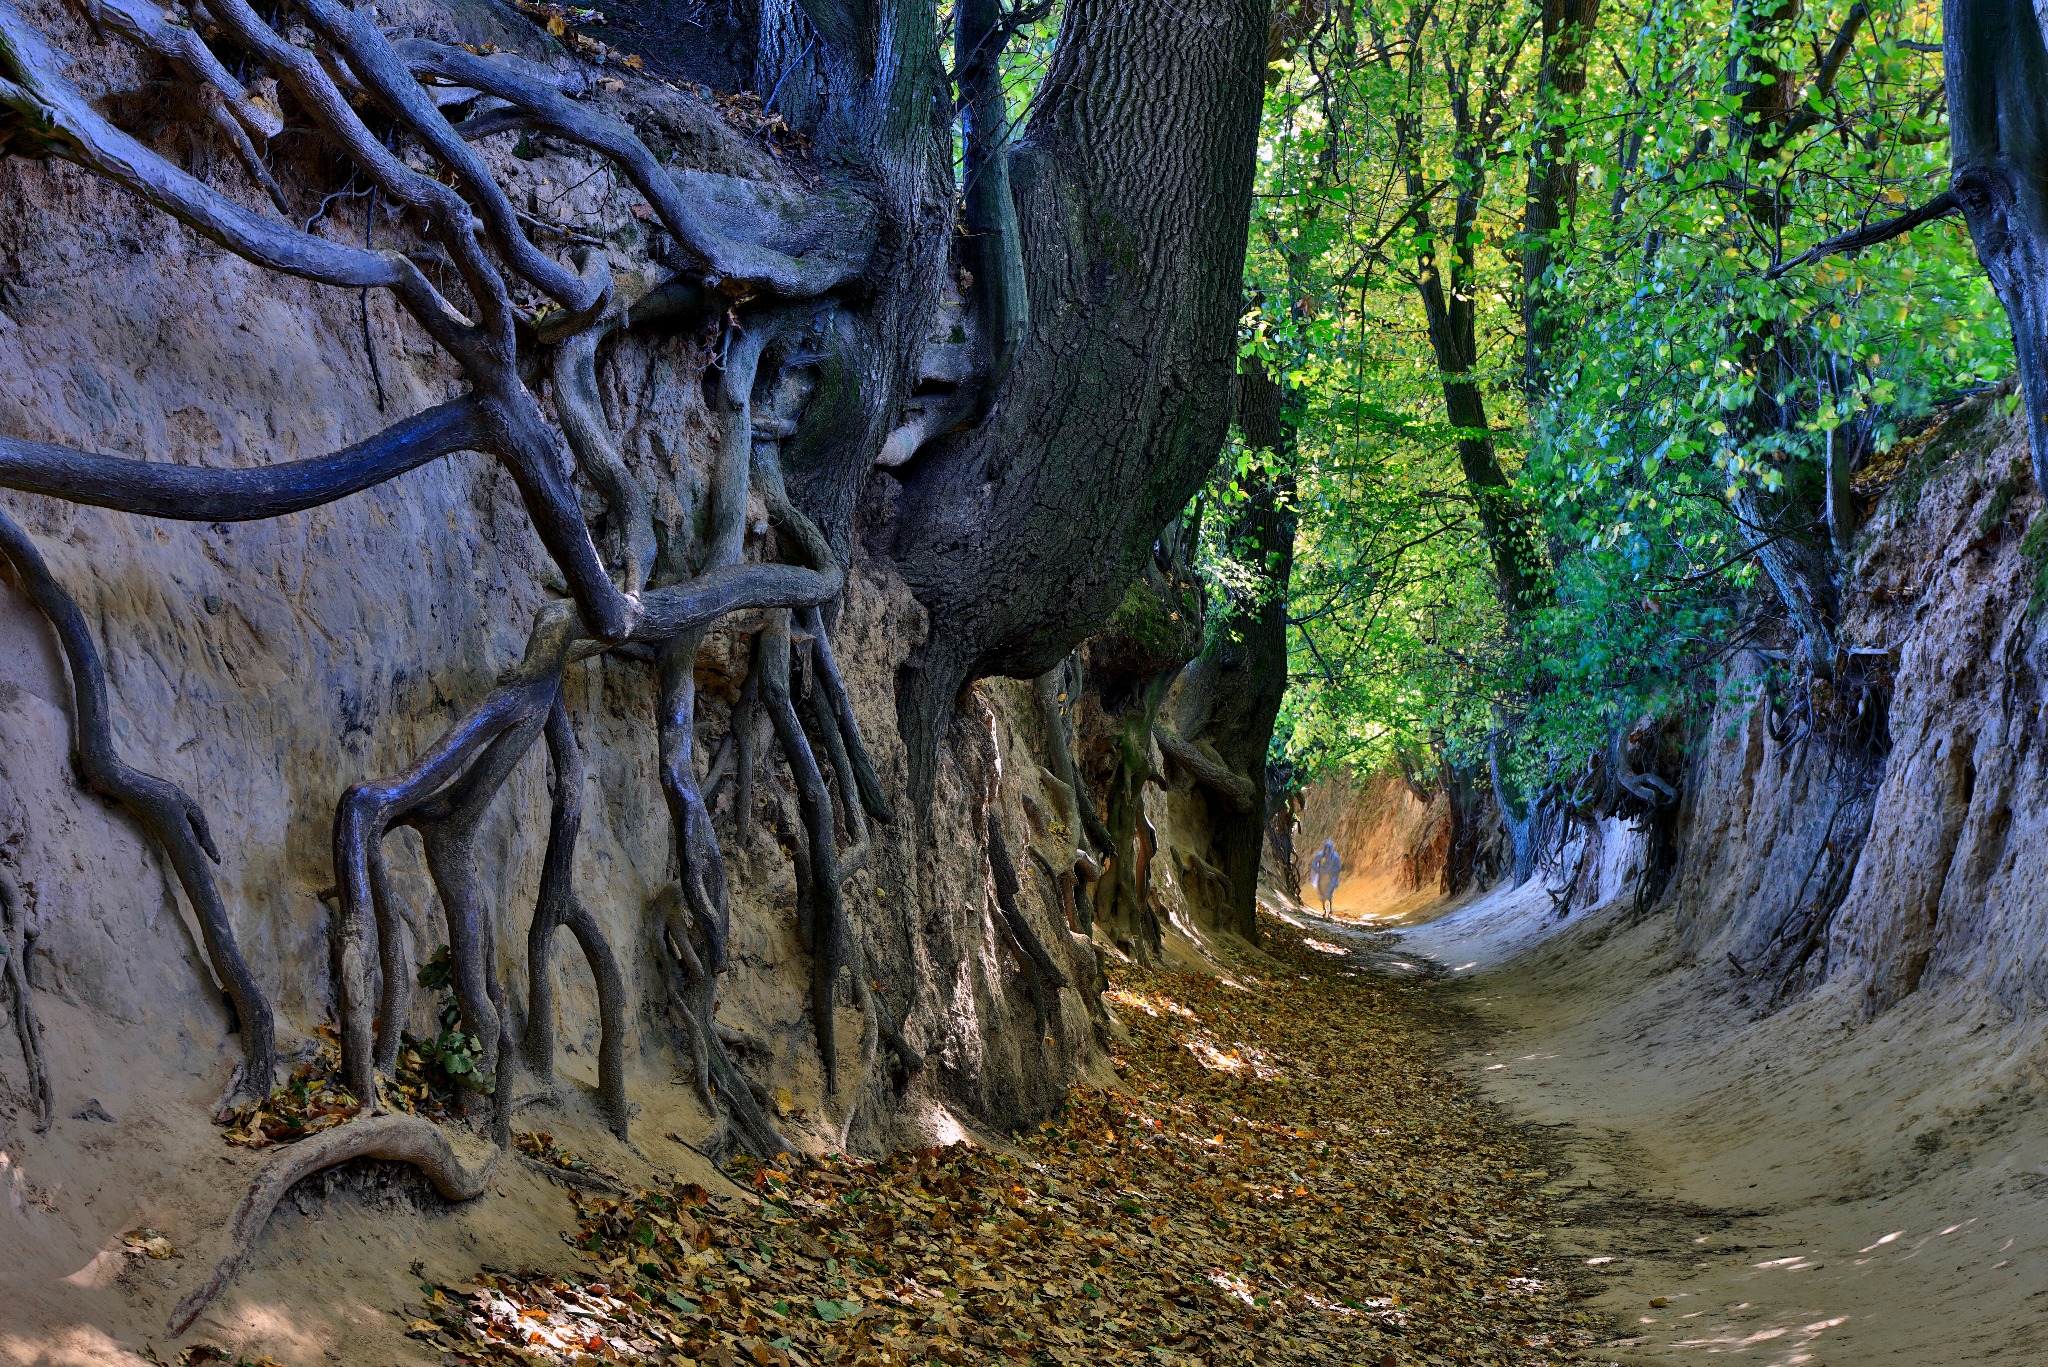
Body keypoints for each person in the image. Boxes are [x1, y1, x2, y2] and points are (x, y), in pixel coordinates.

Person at [1308, 839, 1342, 917]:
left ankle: (1329, 909)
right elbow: (1314, 863)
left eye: (1328, 848)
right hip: (1322, 878)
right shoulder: (1320, 855)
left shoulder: (1335, 857)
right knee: (1322, 895)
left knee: (1328, 894)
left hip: (1331, 879)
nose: (1327, 850)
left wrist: (1330, 871)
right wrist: (1319, 870)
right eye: (1326, 847)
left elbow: (1338, 867)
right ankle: (1324, 909)